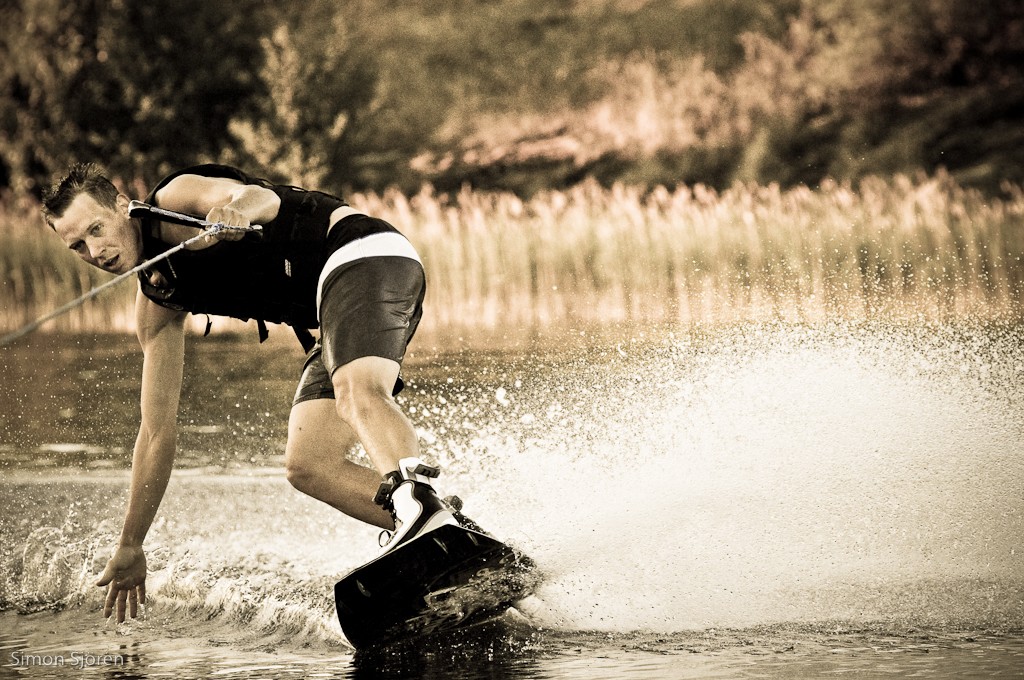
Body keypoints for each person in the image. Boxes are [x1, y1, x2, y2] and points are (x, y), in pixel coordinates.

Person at [41, 163, 466, 624]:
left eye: (96, 229)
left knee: (356, 390)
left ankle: (420, 509)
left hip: (362, 254)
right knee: (309, 464)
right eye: (77, 246)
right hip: (335, 310)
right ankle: (455, 540)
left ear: (123, 207)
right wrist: (131, 544)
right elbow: (156, 432)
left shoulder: (174, 200)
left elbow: (265, 199)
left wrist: (235, 211)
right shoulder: (160, 299)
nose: (95, 251)